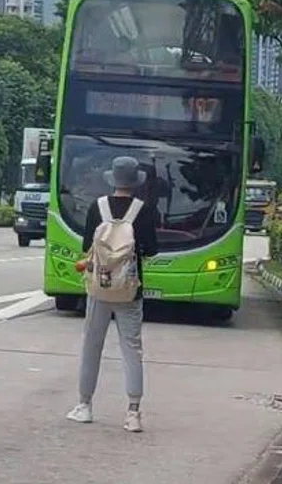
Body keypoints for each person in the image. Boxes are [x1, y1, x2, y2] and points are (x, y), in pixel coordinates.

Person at [66, 156, 159, 432]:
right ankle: (133, 412)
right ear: (135, 182)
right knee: (132, 349)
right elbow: (151, 249)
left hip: (99, 287)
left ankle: (84, 405)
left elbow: (87, 245)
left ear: (113, 179)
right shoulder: (144, 210)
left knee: (91, 345)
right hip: (129, 290)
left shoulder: (98, 207)